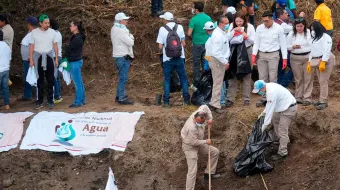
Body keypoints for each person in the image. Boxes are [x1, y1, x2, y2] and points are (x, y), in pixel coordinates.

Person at [252, 80, 297, 161]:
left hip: (289, 109)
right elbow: (269, 105)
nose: (259, 93)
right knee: (275, 119)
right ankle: (283, 141)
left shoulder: (271, 92)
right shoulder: (268, 87)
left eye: (259, 91)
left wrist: (265, 125)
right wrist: (263, 113)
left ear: (263, 87)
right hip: (282, 107)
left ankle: (283, 153)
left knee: (282, 130)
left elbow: (270, 109)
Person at [252, 11, 287, 107]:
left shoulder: (279, 28)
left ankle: (273, 98)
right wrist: (254, 55)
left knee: (272, 78)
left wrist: (284, 58)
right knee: (262, 78)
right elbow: (256, 42)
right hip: (262, 54)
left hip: (274, 54)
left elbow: (283, 44)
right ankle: (264, 98)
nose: (265, 23)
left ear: (272, 19)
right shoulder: (259, 28)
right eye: (263, 21)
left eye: (267, 21)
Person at [181, 105, 220, 190]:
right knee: (192, 171)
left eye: (202, 122)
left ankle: (209, 173)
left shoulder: (202, 111)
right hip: (190, 147)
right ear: (195, 117)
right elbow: (194, 142)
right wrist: (206, 141)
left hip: (199, 143)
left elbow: (205, 106)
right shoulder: (191, 127)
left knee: (214, 152)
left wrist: (210, 119)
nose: (199, 123)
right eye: (197, 122)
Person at [156, 12, 190, 107]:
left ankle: (166, 102)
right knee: (183, 78)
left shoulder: (162, 29)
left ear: (165, 20)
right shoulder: (179, 27)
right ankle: (186, 100)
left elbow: (160, 46)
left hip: (167, 58)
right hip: (180, 57)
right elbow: (183, 44)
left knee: (167, 80)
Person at [225, 11, 255, 107]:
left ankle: (246, 99)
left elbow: (253, 40)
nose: (238, 23)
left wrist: (244, 35)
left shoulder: (250, 27)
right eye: (237, 21)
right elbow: (227, 39)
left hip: (247, 51)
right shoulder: (231, 26)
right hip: (234, 51)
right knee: (232, 75)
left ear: (244, 20)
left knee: (247, 75)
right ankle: (230, 98)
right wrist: (234, 32)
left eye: (240, 21)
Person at [29, 14, 58, 109]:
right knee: (39, 80)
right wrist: (31, 59)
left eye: (48, 23)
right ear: (40, 23)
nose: (47, 24)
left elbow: (55, 46)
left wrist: (56, 59)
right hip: (38, 57)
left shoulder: (53, 32)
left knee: (50, 79)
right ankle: (39, 101)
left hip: (49, 56)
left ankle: (50, 100)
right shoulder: (34, 32)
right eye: (45, 23)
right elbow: (31, 46)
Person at [208, 15, 235, 113]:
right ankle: (216, 104)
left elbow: (227, 38)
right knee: (218, 84)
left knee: (217, 83)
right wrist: (225, 62)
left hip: (219, 60)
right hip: (218, 61)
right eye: (226, 23)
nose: (228, 25)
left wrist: (234, 31)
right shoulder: (217, 35)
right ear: (220, 24)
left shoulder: (221, 32)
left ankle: (213, 103)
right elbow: (216, 52)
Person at [307, 21, 335, 110]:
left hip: (326, 60)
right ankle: (321, 100)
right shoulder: (313, 37)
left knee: (323, 81)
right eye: (311, 29)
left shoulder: (326, 37)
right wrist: (309, 61)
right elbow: (311, 50)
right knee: (320, 80)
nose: (312, 30)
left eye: (314, 29)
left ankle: (323, 101)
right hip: (316, 60)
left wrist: (323, 61)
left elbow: (327, 50)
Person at [287, 17, 312, 105]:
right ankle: (298, 96)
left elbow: (313, 45)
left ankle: (307, 97)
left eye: (301, 26)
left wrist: (305, 48)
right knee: (298, 78)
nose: (299, 28)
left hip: (307, 56)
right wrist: (293, 47)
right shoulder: (291, 34)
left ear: (304, 26)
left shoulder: (309, 33)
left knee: (308, 77)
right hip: (295, 57)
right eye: (297, 26)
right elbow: (287, 46)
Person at [111, 12, 135, 105]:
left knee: (122, 76)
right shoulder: (121, 30)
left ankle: (119, 96)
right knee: (123, 77)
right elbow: (130, 42)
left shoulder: (114, 28)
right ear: (120, 21)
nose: (126, 21)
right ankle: (121, 98)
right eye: (125, 19)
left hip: (119, 55)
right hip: (122, 56)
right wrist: (131, 36)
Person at [188, 1, 212, 89]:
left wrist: (193, 39)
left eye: (194, 7)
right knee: (206, 63)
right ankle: (207, 82)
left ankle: (197, 84)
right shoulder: (208, 17)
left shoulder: (194, 19)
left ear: (196, 9)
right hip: (207, 45)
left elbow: (189, 33)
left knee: (196, 65)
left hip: (196, 45)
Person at [204, 21, 228, 107]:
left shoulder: (209, 40)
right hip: (222, 60)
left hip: (217, 62)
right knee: (221, 82)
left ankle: (220, 101)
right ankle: (222, 100)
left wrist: (207, 64)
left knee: (217, 83)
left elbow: (208, 55)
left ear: (206, 30)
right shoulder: (219, 36)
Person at [67, 20, 86, 108]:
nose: (70, 27)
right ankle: (82, 99)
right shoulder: (78, 37)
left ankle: (78, 101)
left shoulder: (77, 38)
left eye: (71, 25)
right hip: (77, 60)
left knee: (77, 83)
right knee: (79, 82)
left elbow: (69, 49)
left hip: (75, 62)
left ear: (75, 27)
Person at [19, 16, 38, 101]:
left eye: (28, 23)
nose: (26, 24)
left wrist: (31, 58)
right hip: (27, 59)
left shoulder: (34, 33)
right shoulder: (30, 32)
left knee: (29, 76)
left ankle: (28, 95)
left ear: (30, 24)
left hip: (29, 60)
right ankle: (28, 94)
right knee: (28, 76)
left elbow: (34, 47)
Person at [275, 8, 294, 88]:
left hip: (277, 50)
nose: (287, 14)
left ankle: (280, 86)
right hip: (282, 50)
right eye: (286, 13)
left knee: (281, 70)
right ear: (281, 15)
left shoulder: (276, 23)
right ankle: (283, 84)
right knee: (294, 66)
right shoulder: (281, 25)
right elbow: (294, 28)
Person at [50, 18, 63, 104]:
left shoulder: (52, 34)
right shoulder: (58, 33)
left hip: (54, 57)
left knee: (54, 78)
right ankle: (58, 95)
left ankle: (57, 96)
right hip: (59, 56)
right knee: (57, 77)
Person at [0, 30, 11, 110]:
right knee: (5, 87)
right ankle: (7, 105)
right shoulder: (6, 46)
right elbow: (9, 58)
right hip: (6, 69)